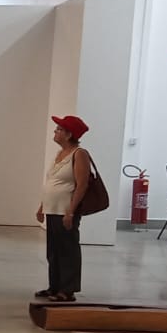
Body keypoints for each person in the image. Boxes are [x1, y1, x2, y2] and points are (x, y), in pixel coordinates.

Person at [37, 115, 94, 303]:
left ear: (69, 134)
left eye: (59, 129)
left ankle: (67, 289)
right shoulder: (60, 154)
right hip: (52, 209)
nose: (55, 132)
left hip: (66, 210)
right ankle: (54, 286)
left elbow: (82, 185)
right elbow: (52, 182)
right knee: (53, 250)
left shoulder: (79, 154)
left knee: (67, 250)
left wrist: (71, 211)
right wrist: (42, 207)